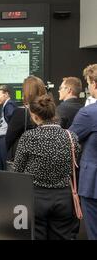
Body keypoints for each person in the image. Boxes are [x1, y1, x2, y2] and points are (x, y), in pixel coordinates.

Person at [14, 94, 80, 240]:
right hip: (64, 198)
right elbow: (75, 166)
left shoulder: (28, 137)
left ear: (35, 116)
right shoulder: (71, 136)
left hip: (35, 198)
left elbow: (18, 170)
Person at [69, 64, 97, 240]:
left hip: (93, 184)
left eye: (88, 83)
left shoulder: (89, 114)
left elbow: (68, 140)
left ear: (94, 83)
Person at [6, 76, 46, 166]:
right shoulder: (50, 111)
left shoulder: (21, 113)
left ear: (27, 93)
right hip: (44, 162)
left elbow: (8, 139)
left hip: (23, 163)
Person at [0, 85, 17, 170]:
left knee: (4, 167)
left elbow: (12, 121)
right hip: (0, 140)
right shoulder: (6, 105)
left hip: (4, 139)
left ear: (6, 94)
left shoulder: (9, 104)